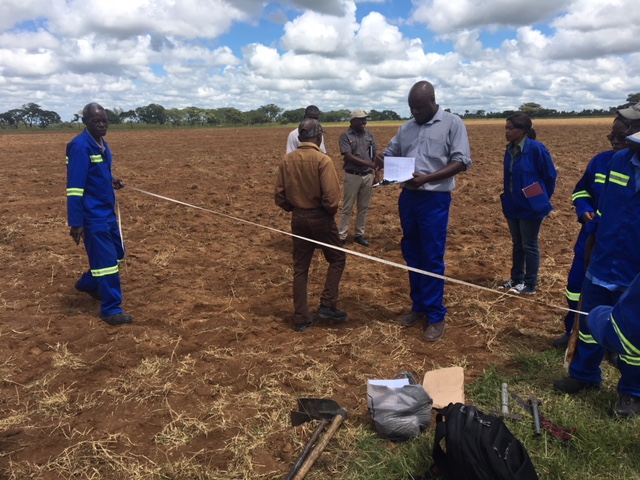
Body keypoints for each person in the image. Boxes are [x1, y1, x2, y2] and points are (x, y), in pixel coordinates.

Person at [554, 130, 640, 417]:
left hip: (634, 271)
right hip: (602, 259)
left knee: (633, 336)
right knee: (589, 323)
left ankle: (631, 392)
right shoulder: (617, 162)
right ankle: (585, 375)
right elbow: (601, 205)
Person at [378, 81, 472, 342]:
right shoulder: (406, 127)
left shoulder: (453, 124)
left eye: (419, 108)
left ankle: (435, 314)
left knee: (431, 256)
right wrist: (380, 158)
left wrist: (428, 178)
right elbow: (392, 152)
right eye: (411, 108)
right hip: (408, 197)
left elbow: (461, 161)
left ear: (432, 101)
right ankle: (418, 306)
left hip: (434, 200)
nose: (415, 113)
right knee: (412, 253)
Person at [275, 118, 347, 332]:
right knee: (337, 258)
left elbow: (279, 196)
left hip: (298, 219)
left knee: (300, 268)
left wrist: (296, 209)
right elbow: (332, 200)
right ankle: (327, 304)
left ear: (299, 137)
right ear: (318, 137)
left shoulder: (287, 160)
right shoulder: (322, 160)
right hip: (321, 218)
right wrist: (324, 214)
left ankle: (300, 317)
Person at [66, 102, 132, 326]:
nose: (102, 124)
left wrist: (113, 180)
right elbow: (74, 188)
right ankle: (111, 309)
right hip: (93, 216)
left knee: (118, 254)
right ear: (85, 122)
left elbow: (100, 173)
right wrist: (76, 223)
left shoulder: (103, 144)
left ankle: (88, 284)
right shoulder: (80, 147)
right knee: (106, 263)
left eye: (105, 120)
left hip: (107, 212)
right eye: (97, 121)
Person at [498, 113, 557, 295]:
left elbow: (550, 176)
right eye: (506, 128)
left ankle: (530, 285)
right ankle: (516, 279)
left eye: (511, 128)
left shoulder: (536, 149)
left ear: (522, 130)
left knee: (529, 245)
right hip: (513, 204)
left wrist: (539, 198)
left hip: (531, 207)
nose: (506, 132)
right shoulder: (509, 149)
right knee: (517, 244)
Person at [582, 270, 640, 417]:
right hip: (600, 268)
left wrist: (598, 315)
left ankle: (633, 392)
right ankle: (583, 373)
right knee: (587, 334)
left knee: (631, 343)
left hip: (628, 275)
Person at [338, 109, 380, 247]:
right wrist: (370, 164)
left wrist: (377, 174)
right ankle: (342, 235)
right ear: (352, 121)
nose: (364, 122)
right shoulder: (345, 136)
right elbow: (348, 156)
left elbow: (375, 154)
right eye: (361, 119)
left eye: (365, 119)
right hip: (352, 176)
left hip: (368, 175)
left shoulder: (370, 135)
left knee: (364, 207)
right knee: (347, 207)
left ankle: (359, 234)